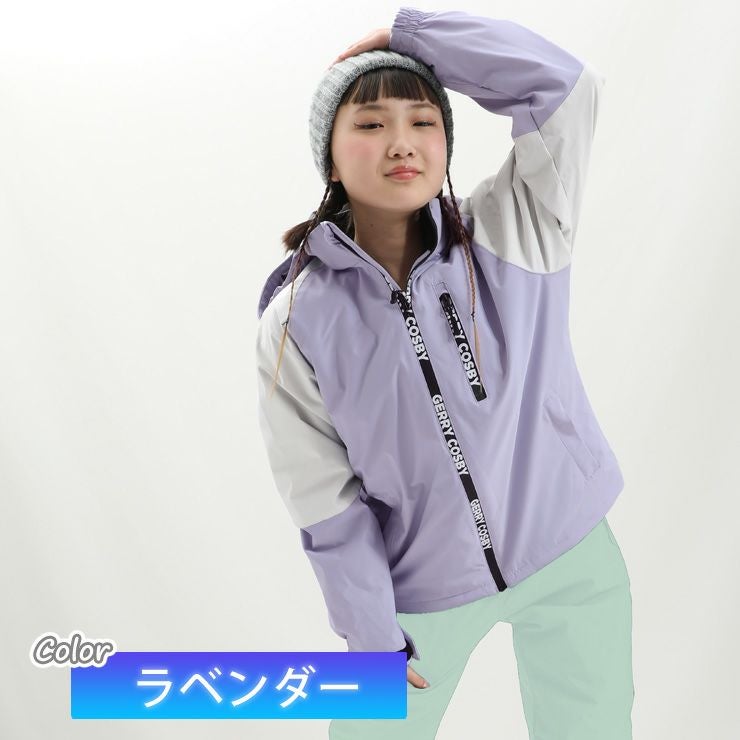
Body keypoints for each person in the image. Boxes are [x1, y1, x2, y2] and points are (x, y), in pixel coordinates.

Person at [255, 6, 634, 739]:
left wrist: (417, 37)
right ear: (330, 157)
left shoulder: (514, 226)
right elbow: (322, 495)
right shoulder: (298, 318)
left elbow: (566, 88)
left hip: (571, 551)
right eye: (370, 124)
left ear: (446, 145)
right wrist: (370, 632)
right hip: (420, 592)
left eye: (422, 121)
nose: (401, 141)